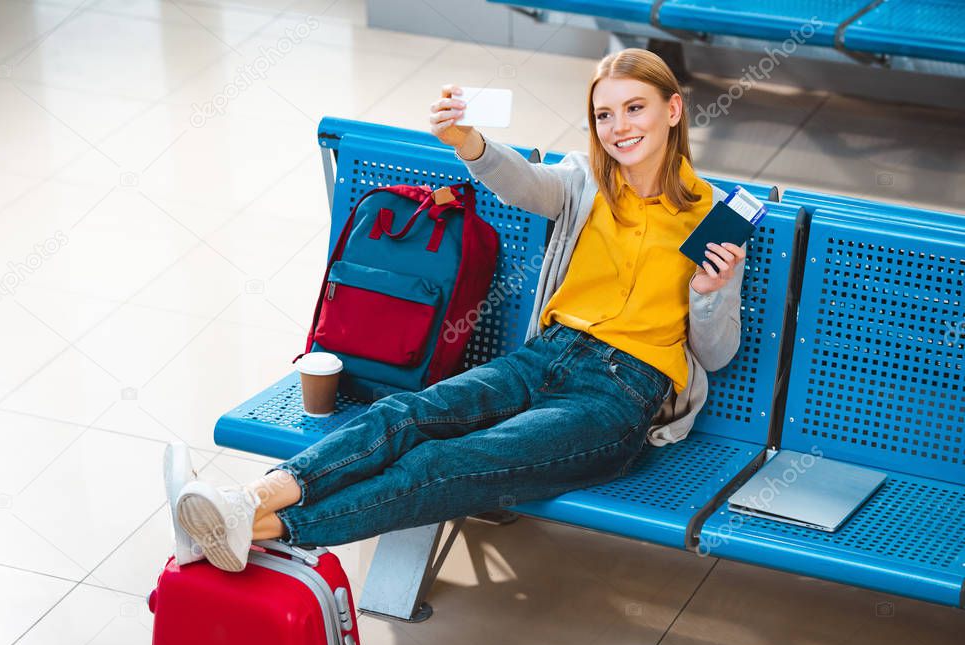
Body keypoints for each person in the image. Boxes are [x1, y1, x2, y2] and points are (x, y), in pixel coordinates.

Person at [165, 48, 746, 573]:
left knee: (442, 464)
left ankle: (253, 530)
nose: (619, 128)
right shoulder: (585, 181)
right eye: (604, 115)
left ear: (673, 111)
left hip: (619, 395)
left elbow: (716, 355)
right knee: (403, 417)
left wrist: (711, 292)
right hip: (544, 359)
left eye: (635, 108)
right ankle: (246, 503)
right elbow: (523, 185)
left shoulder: (717, 219)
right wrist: (470, 142)